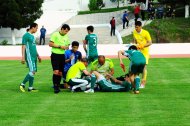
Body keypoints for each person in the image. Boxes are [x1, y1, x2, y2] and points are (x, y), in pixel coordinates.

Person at [20, 23, 41, 92]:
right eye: (36, 28)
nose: (37, 29)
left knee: (33, 72)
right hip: (29, 56)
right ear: (33, 27)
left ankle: (30, 88)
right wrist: (23, 57)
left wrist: (38, 55)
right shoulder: (26, 35)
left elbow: (34, 47)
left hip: (34, 56)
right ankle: (22, 84)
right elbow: (23, 46)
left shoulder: (32, 36)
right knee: (32, 71)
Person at [49, 24, 70, 93]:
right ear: (62, 29)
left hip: (62, 56)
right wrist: (60, 46)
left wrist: (66, 47)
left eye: (67, 31)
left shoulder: (66, 37)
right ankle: (55, 86)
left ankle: (57, 85)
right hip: (55, 55)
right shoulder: (55, 34)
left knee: (60, 73)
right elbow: (50, 44)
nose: (66, 32)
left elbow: (67, 45)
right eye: (65, 31)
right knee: (56, 71)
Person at [132, 21, 152, 88]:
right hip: (138, 52)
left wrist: (142, 46)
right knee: (137, 66)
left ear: (141, 26)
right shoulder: (134, 32)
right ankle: (136, 81)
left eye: (137, 27)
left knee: (144, 67)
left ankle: (143, 83)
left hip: (145, 52)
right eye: (135, 27)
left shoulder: (146, 33)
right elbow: (134, 41)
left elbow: (150, 43)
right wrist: (133, 45)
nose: (136, 28)